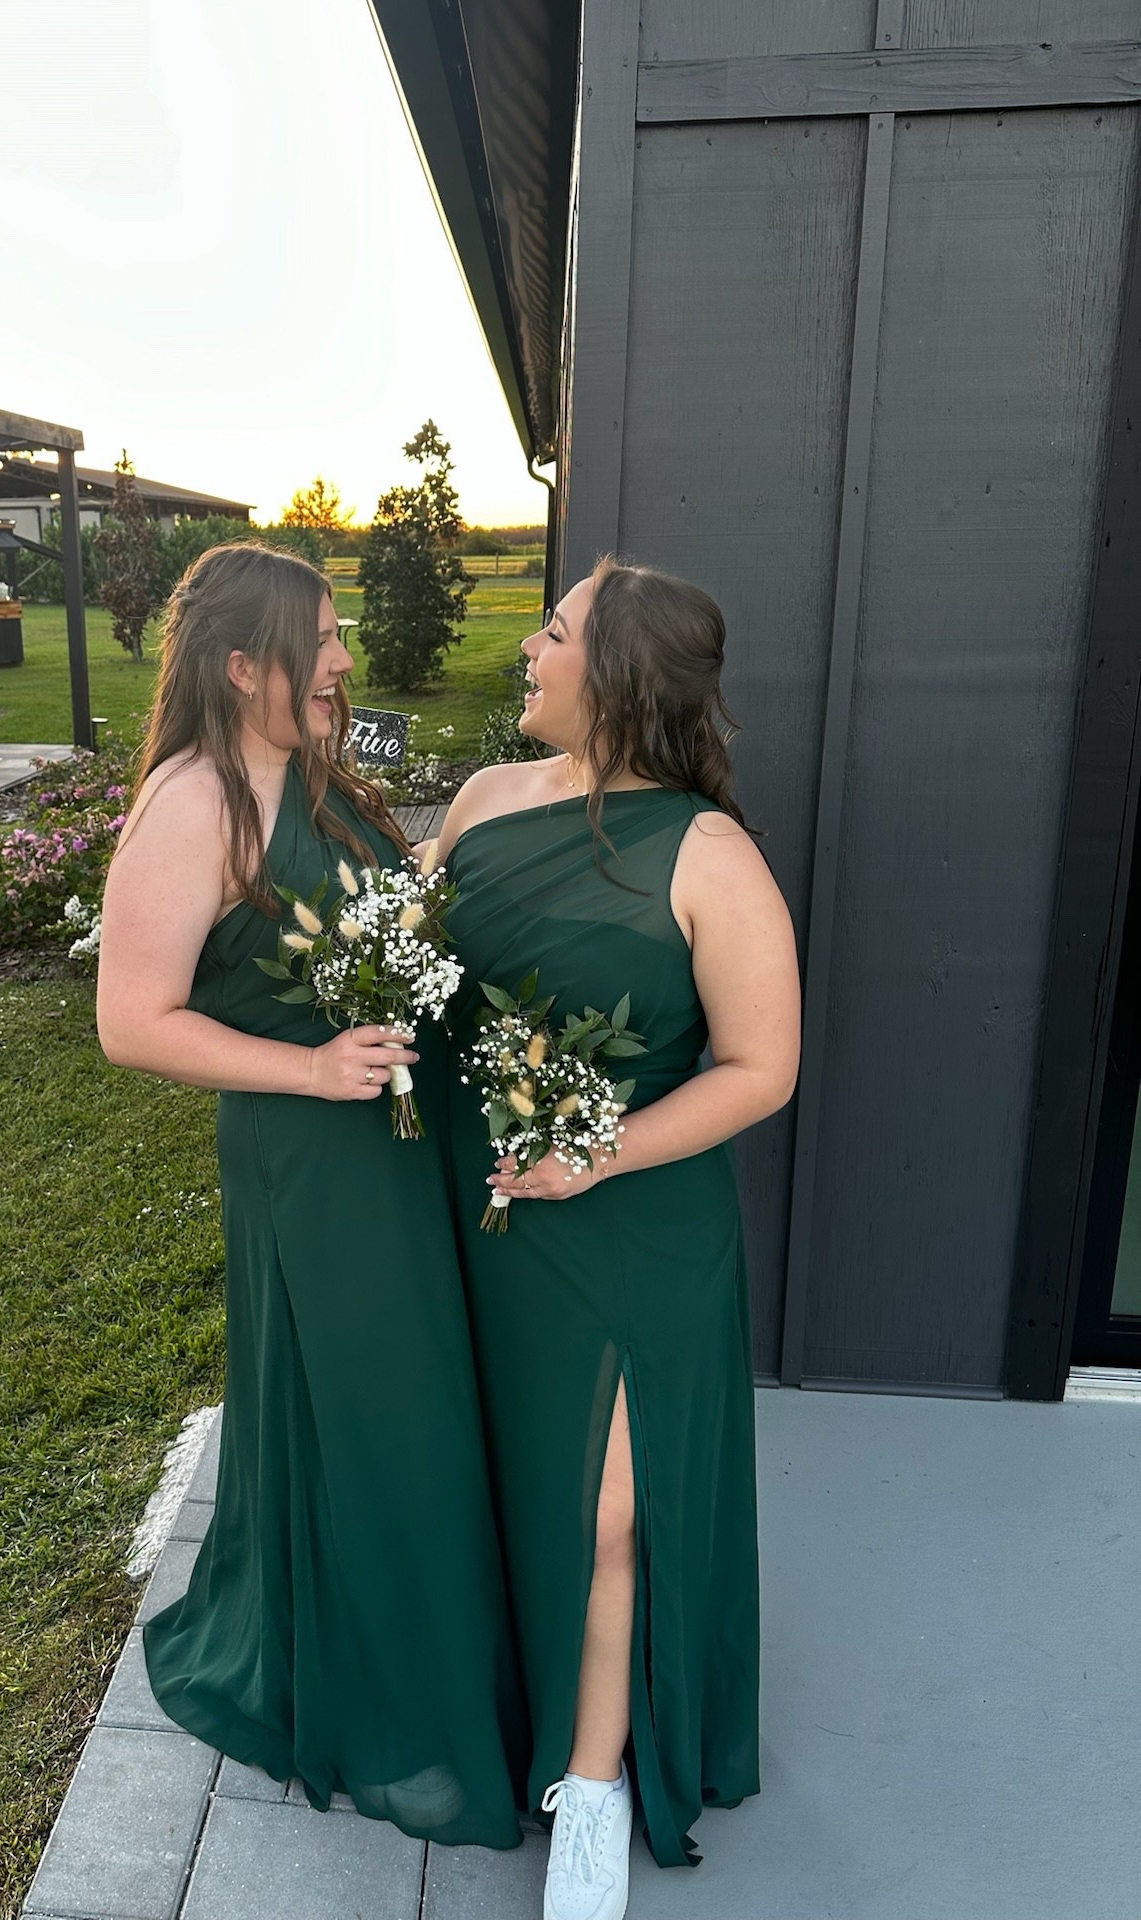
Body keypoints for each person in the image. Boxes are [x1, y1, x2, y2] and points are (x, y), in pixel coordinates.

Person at [95, 540, 527, 1848]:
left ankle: (438, 1638)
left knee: (414, 1398)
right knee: (366, 1407)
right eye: (321, 638)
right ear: (243, 665)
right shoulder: (194, 804)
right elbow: (131, 1023)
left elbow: (378, 915)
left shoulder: (320, 772)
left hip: (396, 1140)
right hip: (311, 1157)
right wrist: (311, 1066)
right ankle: (367, 1675)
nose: (343, 658)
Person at [438, 558, 801, 1919]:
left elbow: (762, 1068)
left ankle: (590, 1785)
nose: (529, 652)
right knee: (488, 1466)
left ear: (620, 676)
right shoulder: (481, 800)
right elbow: (413, 970)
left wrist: (597, 1152)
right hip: (480, 1206)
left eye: (554, 633)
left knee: (609, 1513)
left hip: (634, 1219)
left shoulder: (712, 855)